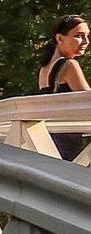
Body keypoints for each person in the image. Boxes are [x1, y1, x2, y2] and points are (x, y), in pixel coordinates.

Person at [36, 14, 90, 164]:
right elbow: (88, 101)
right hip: (68, 140)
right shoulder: (69, 65)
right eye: (79, 36)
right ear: (60, 38)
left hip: (49, 139)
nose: (86, 41)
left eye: (87, 36)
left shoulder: (44, 69)